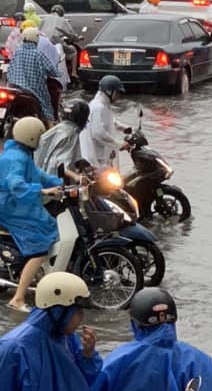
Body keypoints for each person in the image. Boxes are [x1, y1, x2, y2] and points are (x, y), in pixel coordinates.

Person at [0, 118, 65, 311]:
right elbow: (16, 185)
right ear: (31, 136)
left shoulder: (21, 154)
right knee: (39, 247)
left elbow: (39, 175)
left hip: (19, 205)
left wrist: (63, 181)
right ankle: (18, 298)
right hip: (10, 208)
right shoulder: (15, 158)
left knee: (49, 225)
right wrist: (44, 191)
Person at [7, 27, 57, 123]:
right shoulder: (38, 54)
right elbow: (52, 70)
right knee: (46, 106)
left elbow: (10, 66)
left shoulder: (18, 51)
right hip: (31, 90)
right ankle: (48, 124)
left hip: (13, 87)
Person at [79, 75, 127, 169]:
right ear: (109, 92)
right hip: (95, 156)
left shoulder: (100, 105)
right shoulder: (99, 108)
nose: (118, 96)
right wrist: (118, 144)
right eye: (117, 93)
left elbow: (107, 120)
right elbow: (98, 132)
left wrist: (123, 127)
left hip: (98, 154)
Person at [35, 101, 90, 176]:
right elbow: (63, 165)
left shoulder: (61, 127)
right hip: (56, 177)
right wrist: (76, 177)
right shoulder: (71, 133)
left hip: (43, 171)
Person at [41, 4, 80, 81]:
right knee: (73, 50)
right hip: (55, 45)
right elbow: (72, 35)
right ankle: (74, 73)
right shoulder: (62, 20)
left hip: (42, 45)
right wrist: (77, 38)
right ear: (61, 13)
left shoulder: (43, 19)